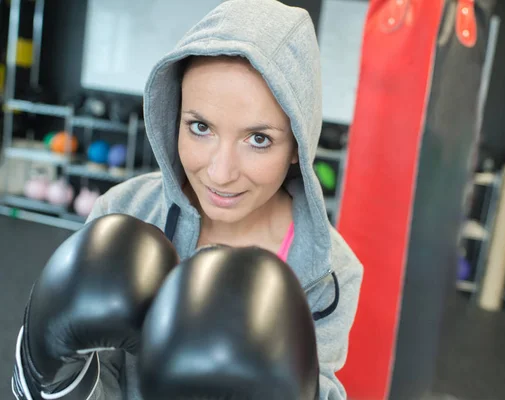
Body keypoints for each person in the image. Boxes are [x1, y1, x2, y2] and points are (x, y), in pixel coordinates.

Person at [15, 0, 363, 398]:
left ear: (297, 145)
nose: (220, 172)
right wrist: (50, 370)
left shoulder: (330, 272)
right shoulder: (124, 210)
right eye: (200, 127)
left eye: (259, 139)